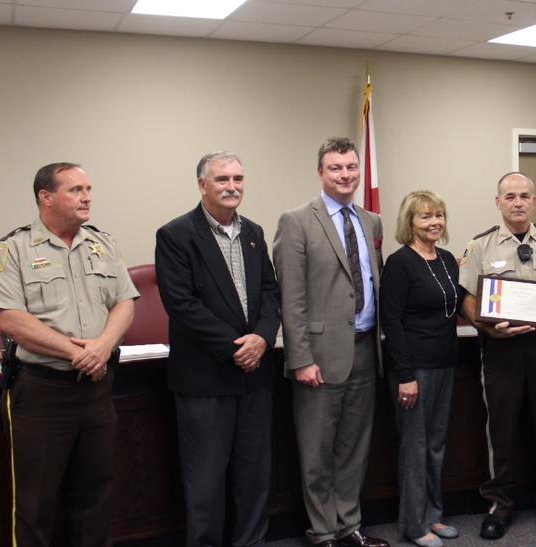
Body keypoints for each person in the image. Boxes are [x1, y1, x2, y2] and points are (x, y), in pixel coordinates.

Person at [0, 162, 138, 546]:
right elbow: (9, 319)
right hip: (41, 392)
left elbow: (125, 302)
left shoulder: (102, 244)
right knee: (37, 504)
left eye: (88, 189)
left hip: (97, 387)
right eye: (75, 190)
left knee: (95, 494)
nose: (87, 198)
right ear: (45, 197)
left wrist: (102, 347)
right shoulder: (11, 249)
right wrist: (75, 351)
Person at [155, 152, 281, 547]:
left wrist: (262, 337)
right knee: (206, 482)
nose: (232, 186)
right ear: (202, 185)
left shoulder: (254, 233)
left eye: (239, 178)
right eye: (223, 179)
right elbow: (181, 303)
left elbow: (269, 293)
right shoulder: (176, 235)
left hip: (255, 375)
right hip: (206, 380)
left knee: (254, 477)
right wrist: (234, 348)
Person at [458, 172, 536, 541]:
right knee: (501, 429)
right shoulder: (481, 245)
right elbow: (466, 298)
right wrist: (487, 327)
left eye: (524, 196)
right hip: (501, 349)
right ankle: (500, 504)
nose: (517, 202)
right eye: (510, 196)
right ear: (498, 202)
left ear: (534, 200)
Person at [273, 137, 388, 547]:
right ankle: (323, 532)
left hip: (364, 349)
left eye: (351, 167)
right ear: (321, 173)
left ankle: (349, 526)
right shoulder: (297, 220)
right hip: (319, 356)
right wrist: (300, 358)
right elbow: (292, 297)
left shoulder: (371, 221)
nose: (346, 175)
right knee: (318, 452)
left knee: (354, 448)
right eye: (336, 168)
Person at [380, 191, 463, 547]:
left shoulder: (446, 259)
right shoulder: (399, 263)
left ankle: (433, 515)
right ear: (409, 223)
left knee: (436, 446)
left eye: (439, 215)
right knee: (414, 448)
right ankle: (414, 525)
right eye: (425, 217)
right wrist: (405, 375)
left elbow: (458, 302)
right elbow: (392, 322)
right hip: (415, 369)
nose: (434, 223)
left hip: (445, 363)